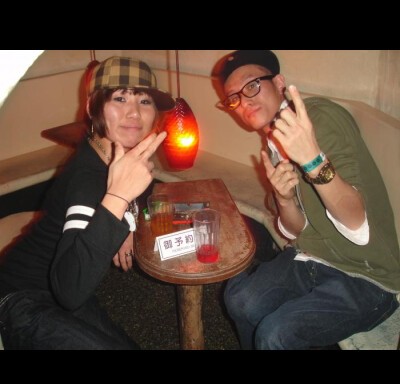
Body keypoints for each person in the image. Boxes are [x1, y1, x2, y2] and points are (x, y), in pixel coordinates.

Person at [213, 50, 400, 350]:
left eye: (251, 86)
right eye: (233, 98)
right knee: (238, 298)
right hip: (316, 259)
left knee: (275, 334)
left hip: (368, 275)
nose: (243, 102)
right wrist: (284, 199)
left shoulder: (320, 119)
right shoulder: (274, 142)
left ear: (279, 83)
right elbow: (298, 230)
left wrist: (313, 162)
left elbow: (359, 228)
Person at [0, 56, 175, 349]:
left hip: (60, 284)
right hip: (19, 300)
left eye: (144, 101)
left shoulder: (108, 150)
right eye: (120, 98)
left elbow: (133, 193)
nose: (134, 112)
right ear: (93, 106)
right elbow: (70, 291)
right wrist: (117, 200)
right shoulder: (88, 181)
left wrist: (126, 225)